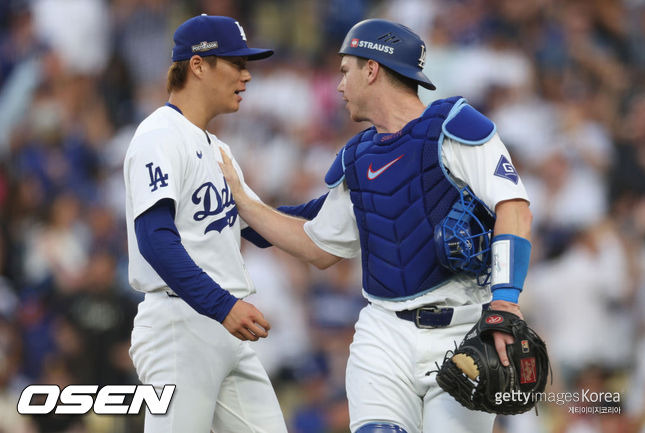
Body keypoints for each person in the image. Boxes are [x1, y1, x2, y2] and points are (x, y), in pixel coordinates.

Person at [219, 19, 533, 433]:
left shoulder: (453, 126)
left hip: (462, 331)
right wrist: (242, 204)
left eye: (345, 70)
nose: (339, 85)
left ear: (372, 69)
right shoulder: (357, 156)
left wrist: (506, 301)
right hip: (384, 333)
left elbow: (514, 206)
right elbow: (319, 247)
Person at [123, 14, 327, 433]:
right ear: (198, 66)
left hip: (226, 327)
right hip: (180, 324)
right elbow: (155, 239)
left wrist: (345, 201)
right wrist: (222, 306)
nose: (247, 75)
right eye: (236, 62)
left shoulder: (217, 148)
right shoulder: (158, 135)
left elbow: (262, 227)